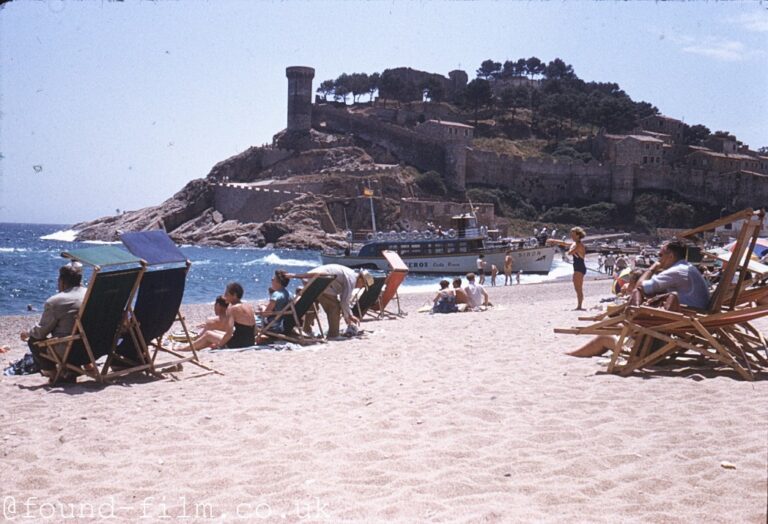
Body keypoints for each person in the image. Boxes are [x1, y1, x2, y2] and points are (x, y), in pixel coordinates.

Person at [569, 240, 711, 357]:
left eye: (660, 255)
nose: (658, 258)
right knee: (615, 324)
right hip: (695, 315)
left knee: (605, 337)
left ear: (671, 256)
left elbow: (641, 286)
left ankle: (570, 354)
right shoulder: (686, 268)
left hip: (687, 317)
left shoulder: (677, 271)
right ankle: (626, 325)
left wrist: (652, 268)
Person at [20, 263, 87, 382]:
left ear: (61, 281)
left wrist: (28, 333)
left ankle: (53, 374)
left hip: (71, 351)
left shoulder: (56, 301)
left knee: (34, 341)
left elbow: (40, 333)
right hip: (93, 348)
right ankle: (79, 367)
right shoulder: (90, 293)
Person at [298, 264, 373, 338]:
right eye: (363, 285)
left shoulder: (351, 274)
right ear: (360, 279)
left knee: (313, 305)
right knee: (334, 307)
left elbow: (344, 300)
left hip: (310, 279)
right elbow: (344, 301)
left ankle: (307, 330)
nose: (361, 287)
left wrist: (349, 315)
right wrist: (348, 317)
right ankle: (333, 334)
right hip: (321, 281)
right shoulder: (352, 280)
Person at [190, 282, 256, 350]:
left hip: (238, 344)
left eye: (226, 294)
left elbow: (229, 333)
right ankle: (192, 348)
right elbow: (254, 328)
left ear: (234, 295)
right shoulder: (248, 306)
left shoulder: (232, 308)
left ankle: (185, 349)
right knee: (214, 332)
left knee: (208, 334)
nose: (224, 296)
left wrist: (219, 345)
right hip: (250, 342)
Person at [255, 270, 292, 342]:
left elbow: (266, 314)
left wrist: (262, 308)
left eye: (273, 279)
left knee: (250, 319)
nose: (271, 280)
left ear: (278, 282)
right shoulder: (288, 294)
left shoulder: (276, 295)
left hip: (273, 326)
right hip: (281, 323)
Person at [568, 227, 587, 311]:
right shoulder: (576, 243)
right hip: (578, 267)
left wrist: (570, 248)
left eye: (573, 234)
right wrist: (555, 241)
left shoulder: (579, 244)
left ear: (578, 235)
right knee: (577, 288)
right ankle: (579, 305)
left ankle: (579, 306)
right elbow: (566, 244)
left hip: (579, 267)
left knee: (578, 288)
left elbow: (570, 252)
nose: (571, 236)